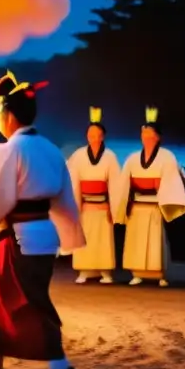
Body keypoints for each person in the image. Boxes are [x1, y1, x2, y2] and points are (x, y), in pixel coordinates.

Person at [0, 71, 85, 369]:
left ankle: (57, 366)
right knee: (0, 296)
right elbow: (64, 197)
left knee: (32, 303)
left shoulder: (9, 149)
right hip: (44, 234)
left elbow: (0, 201)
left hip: (20, 238)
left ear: (10, 116)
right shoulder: (50, 148)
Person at [113, 107, 185, 287]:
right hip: (137, 205)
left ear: (158, 137)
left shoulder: (166, 157)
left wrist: (158, 186)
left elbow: (172, 179)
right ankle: (136, 272)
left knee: (155, 241)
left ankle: (159, 274)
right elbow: (124, 183)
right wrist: (123, 203)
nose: (146, 137)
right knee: (136, 240)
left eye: (150, 133)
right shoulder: (132, 158)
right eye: (143, 133)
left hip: (154, 205)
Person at [66, 107, 121, 284]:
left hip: (103, 205)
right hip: (85, 205)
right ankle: (84, 270)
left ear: (102, 136)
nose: (94, 137)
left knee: (103, 239)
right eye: (90, 134)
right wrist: (76, 204)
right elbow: (73, 181)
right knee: (85, 238)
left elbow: (115, 184)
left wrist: (113, 208)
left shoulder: (110, 157)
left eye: (97, 134)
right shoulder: (79, 156)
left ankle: (105, 271)